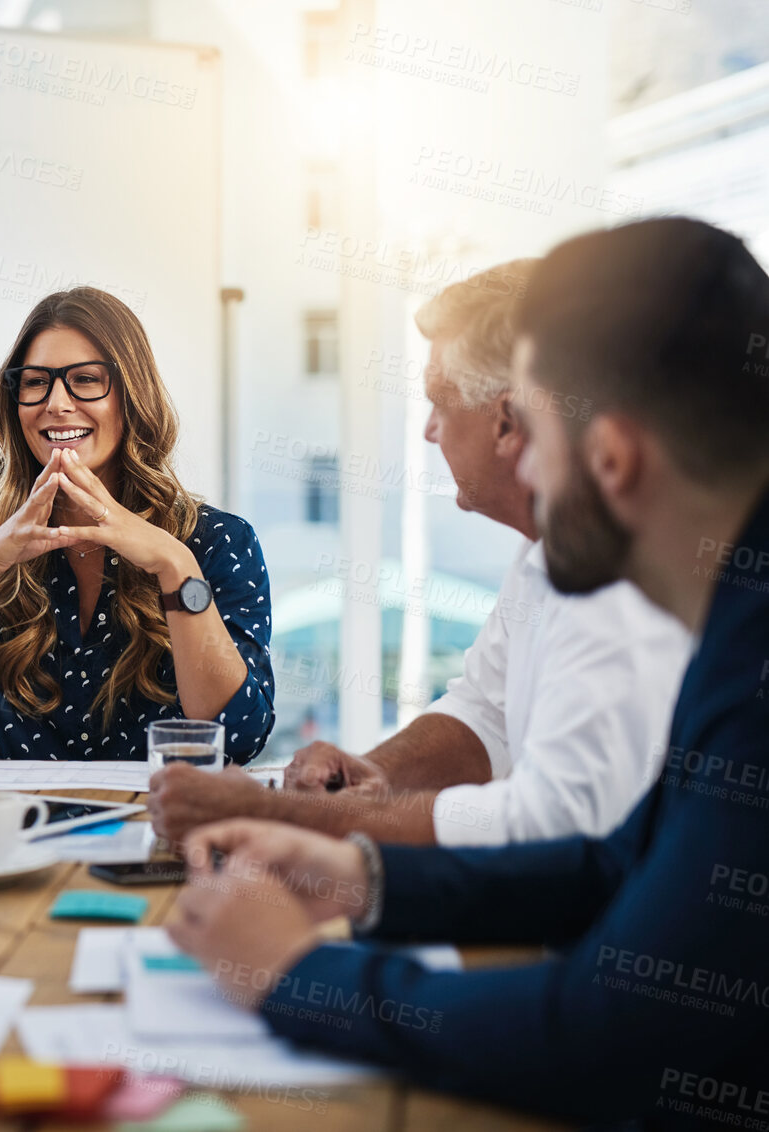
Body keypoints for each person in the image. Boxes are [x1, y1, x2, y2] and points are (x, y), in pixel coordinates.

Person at [167, 217, 769, 1127]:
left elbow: (616, 1032)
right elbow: (619, 862)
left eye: (529, 428)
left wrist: (299, 975)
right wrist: (360, 876)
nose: (518, 458)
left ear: (610, 458)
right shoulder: (730, 616)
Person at [150, 260, 690, 845]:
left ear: (509, 421)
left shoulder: (621, 590)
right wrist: (374, 772)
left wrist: (291, 816)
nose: (431, 430)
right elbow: (485, 712)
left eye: (441, 402)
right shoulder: (544, 557)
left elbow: (554, 821)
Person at [0, 287, 275, 763]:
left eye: (85, 380)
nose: (57, 403)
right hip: (11, 831)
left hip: (154, 830)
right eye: (35, 382)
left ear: (132, 396)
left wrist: (175, 565)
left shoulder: (216, 542)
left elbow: (238, 739)